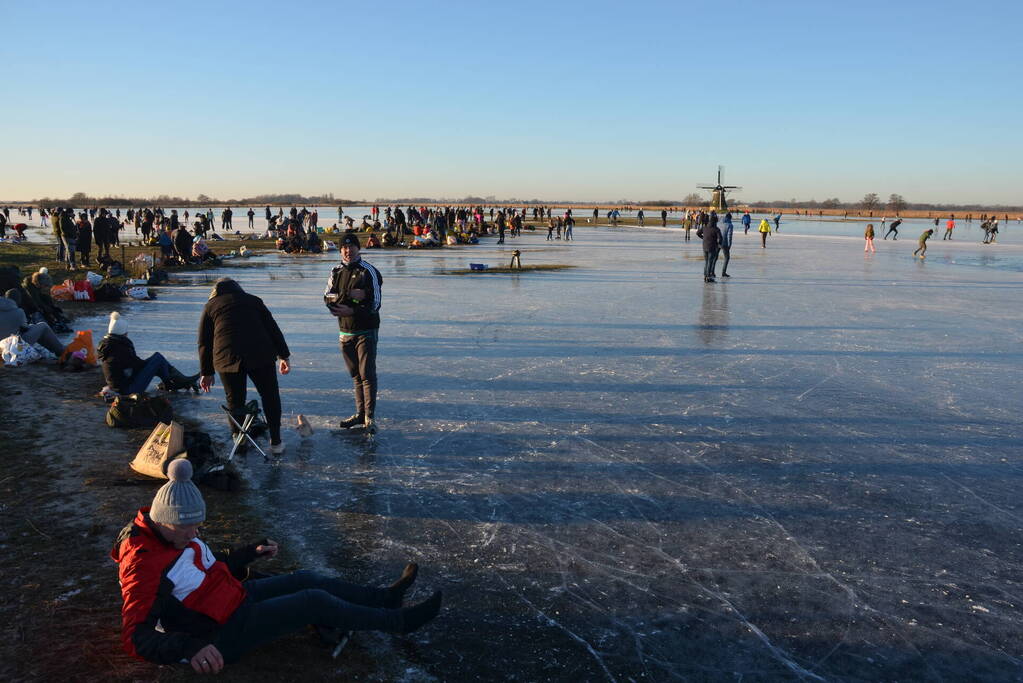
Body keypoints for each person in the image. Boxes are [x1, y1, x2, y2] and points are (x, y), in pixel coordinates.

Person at [111, 458, 442, 674]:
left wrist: (248, 552)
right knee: (312, 601)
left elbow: (207, 566)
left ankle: (384, 598)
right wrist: (190, 647)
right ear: (167, 523)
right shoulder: (144, 567)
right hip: (221, 632)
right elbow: (135, 638)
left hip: (232, 597)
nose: (196, 533)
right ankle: (397, 622)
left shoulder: (171, 534)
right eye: (190, 528)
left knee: (306, 578)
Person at [198, 278, 291, 454]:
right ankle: (276, 442)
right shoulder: (254, 301)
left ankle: (238, 439)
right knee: (270, 396)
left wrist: (207, 372)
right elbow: (273, 329)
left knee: (235, 399)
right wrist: (283, 356)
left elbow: (204, 342)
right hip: (260, 354)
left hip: (227, 356)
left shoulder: (211, 306)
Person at [323, 233, 382, 434]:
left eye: (352, 247)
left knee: (367, 374)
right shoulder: (336, 271)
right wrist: (349, 296)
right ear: (340, 250)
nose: (348, 251)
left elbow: (376, 304)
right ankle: (359, 413)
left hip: (366, 329)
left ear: (358, 248)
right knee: (355, 375)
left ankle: (369, 418)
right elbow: (328, 297)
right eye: (344, 248)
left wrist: (354, 308)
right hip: (345, 330)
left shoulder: (369, 271)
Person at [98, 312, 199, 394]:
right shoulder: (120, 348)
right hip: (128, 390)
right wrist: (154, 365)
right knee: (158, 359)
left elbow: (134, 366)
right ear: (123, 333)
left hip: (121, 386)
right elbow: (138, 366)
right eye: (126, 332)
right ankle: (173, 383)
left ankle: (179, 381)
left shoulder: (110, 345)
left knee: (157, 361)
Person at [0, 289, 65, 357]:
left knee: (32, 327)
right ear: (18, 300)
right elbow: (24, 328)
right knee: (43, 326)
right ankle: (60, 350)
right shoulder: (19, 312)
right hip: (12, 347)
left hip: (1, 347)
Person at [697, 213, 722, 283]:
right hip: (712, 247)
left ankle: (705, 276)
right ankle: (708, 277)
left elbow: (697, 233)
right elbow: (720, 239)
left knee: (706, 261)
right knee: (710, 262)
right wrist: (718, 244)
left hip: (704, 246)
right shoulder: (716, 229)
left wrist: (703, 238)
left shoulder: (704, 227)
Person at [719, 212, 733, 278]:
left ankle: (711, 271)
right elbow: (729, 236)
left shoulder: (719, 223)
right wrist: (729, 245)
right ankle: (723, 272)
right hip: (724, 243)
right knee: (727, 258)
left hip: (717, 242)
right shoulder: (730, 225)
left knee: (714, 257)